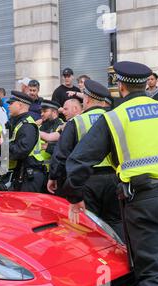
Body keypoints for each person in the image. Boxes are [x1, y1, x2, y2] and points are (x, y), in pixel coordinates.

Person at [62, 61, 158, 286]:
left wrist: (75, 196)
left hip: (142, 202)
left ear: (120, 87)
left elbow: (79, 161)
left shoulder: (114, 118)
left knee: (154, 273)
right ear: (148, 85)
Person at [47, 80, 123, 238]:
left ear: (86, 100)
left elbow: (61, 154)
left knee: (88, 225)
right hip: (114, 179)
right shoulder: (115, 118)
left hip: (87, 180)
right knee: (116, 222)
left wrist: (54, 176)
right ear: (103, 101)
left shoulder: (76, 122)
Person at [7, 91, 46, 193]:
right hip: (21, 173)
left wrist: (2, 144)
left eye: (11, 104)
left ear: (20, 105)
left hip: (30, 175)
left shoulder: (27, 125)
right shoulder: (15, 123)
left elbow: (22, 150)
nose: (8, 107)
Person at [39, 100, 64, 169]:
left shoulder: (61, 126)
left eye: (45, 111)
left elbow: (62, 150)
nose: (41, 114)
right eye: (41, 112)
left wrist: (48, 147)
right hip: (37, 169)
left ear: (54, 112)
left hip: (50, 170)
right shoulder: (41, 126)